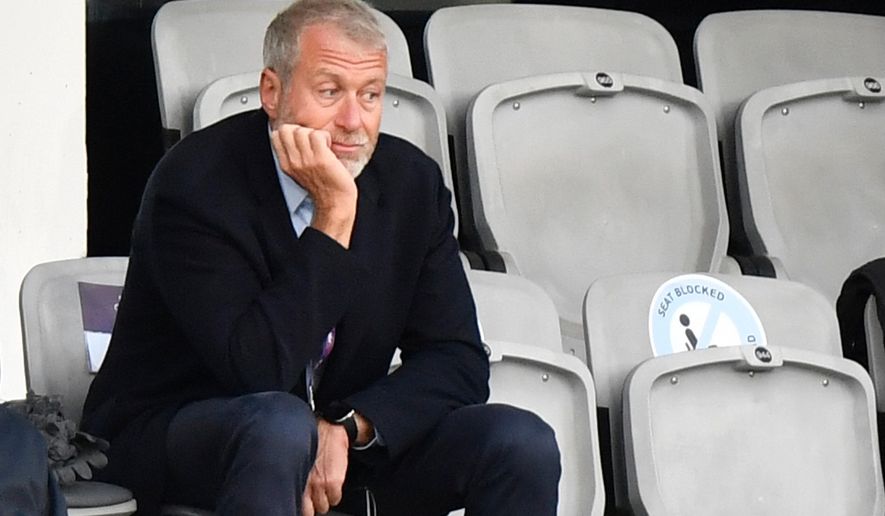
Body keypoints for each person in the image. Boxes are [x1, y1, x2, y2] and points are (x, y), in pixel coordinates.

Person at [81, 0, 561, 514]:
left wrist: (353, 425)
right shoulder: (196, 183)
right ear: (273, 91)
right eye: (330, 92)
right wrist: (334, 216)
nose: (353, 122)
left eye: (371, 95)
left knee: (519, 440)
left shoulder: (411, 184)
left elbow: (458, 360)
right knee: (279, 426)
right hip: (185, 433)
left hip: (332, 443)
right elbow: (254, 370)